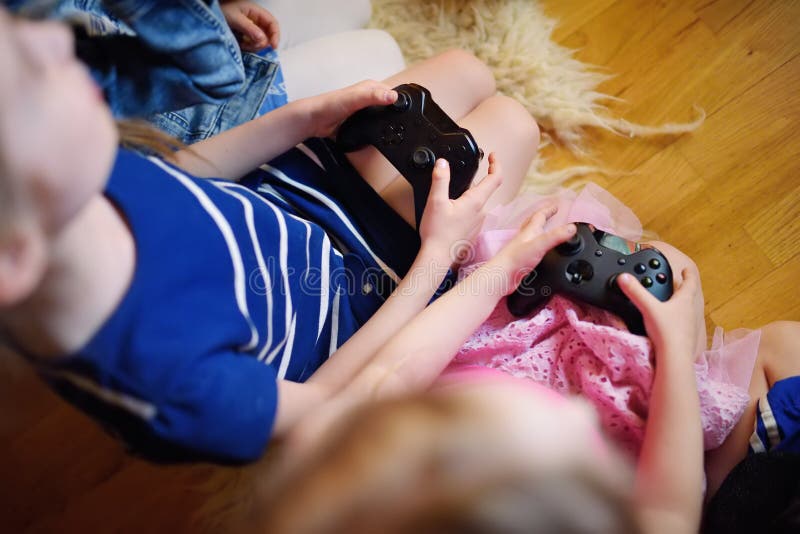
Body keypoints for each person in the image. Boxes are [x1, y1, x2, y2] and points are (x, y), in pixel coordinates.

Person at [0, 9, 539, 462]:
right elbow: (328, 403)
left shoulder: (86, 179)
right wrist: (438, 255)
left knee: (467, 72)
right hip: (370, 285)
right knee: (513, 123)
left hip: (292, 188)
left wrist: (306, 119)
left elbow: (184, 174)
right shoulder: (172, 390)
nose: (53, 37)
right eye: (30, 81)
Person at [238, 209, 800, 533]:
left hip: (498, 345)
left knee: (664, 267)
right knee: (684, 275)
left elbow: (388, 377)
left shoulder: (338, 477)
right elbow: (669, 513)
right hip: (660, 450)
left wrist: (503, 271)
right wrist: (675, 353)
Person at [3, 0, 405, 142]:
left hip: (176, 49)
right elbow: (218, 74)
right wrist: (195, 22)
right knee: (382, 50)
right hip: (199, 112)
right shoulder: (39, 77)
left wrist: (213, 14)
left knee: (354, 6)